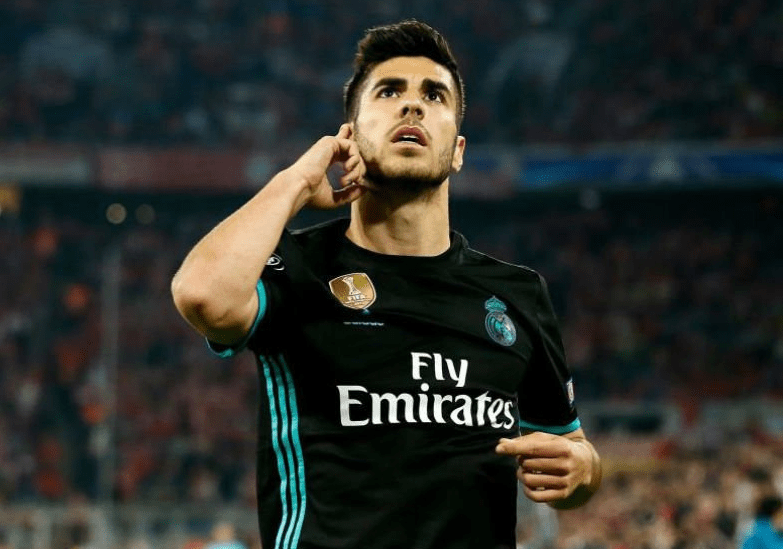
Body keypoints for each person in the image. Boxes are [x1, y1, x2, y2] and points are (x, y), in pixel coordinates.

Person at [171, 19, 601, 549]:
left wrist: (585, 471)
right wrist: (296, 182)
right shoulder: (298, 266)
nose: (412, 105)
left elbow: (571, 452)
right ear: (348, 138)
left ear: (458, 150)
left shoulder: (517, 293)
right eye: (389, 91)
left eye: (434, 95)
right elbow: (202, 296)